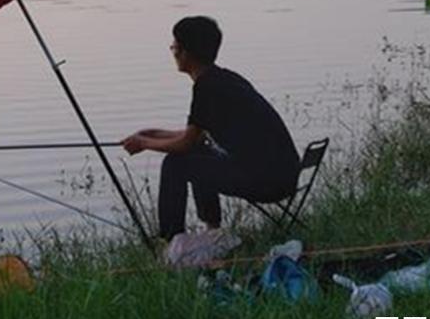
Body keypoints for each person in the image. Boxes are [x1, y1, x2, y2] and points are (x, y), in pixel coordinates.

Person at [122, 16, 300, 240]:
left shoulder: (207, 88)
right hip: (283, 174)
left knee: (175, 164)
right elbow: (195, 136)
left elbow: (186, 142)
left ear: (185, 52)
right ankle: (212, 230)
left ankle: (169, 241)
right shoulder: (223, 79)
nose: (172, 51)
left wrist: (144, 143)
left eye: (174, 45)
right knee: (195, 154)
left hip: (268, 182)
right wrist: (152, 134)